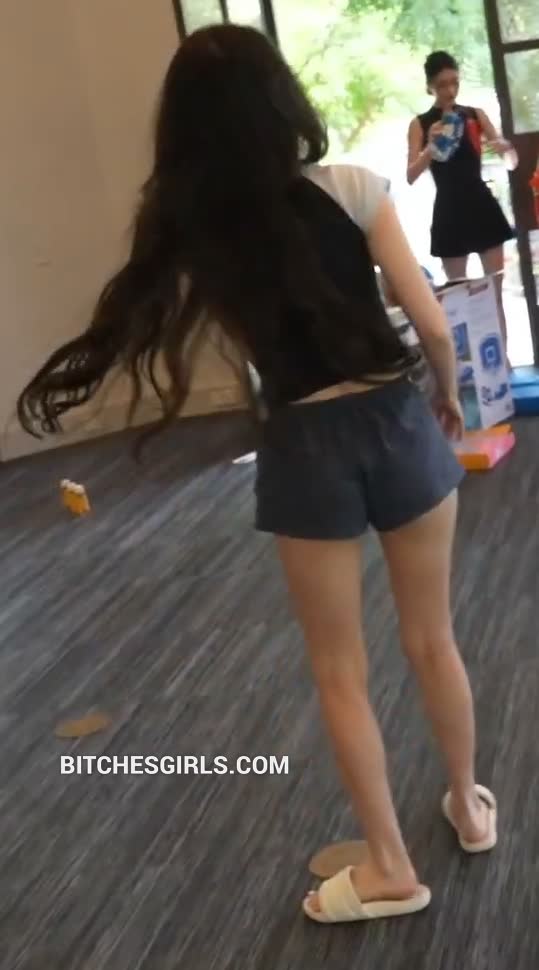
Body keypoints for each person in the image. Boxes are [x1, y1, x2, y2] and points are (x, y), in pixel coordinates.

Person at [17, 26, 497, 924]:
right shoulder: (352, 187)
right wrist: (444, 396)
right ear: (281, 101)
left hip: (303, 445)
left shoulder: (197, 236)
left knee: (338, 671)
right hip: (396, 420)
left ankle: (390, 867)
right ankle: (469, 810)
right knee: (433, 641)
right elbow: (432, 325)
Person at [407, 50, 515, 361]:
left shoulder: (474, 115)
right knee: (457, 300)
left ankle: (503, 365)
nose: (450, 90)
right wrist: (430, 147)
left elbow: (511, 161)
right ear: (430, 86)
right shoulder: (420, 123)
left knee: (495, 295)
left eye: (454, 82)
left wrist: (503, 147)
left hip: (482, 206)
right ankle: (468, 372)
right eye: (442, 84)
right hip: (449, 212)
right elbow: (411, 175)